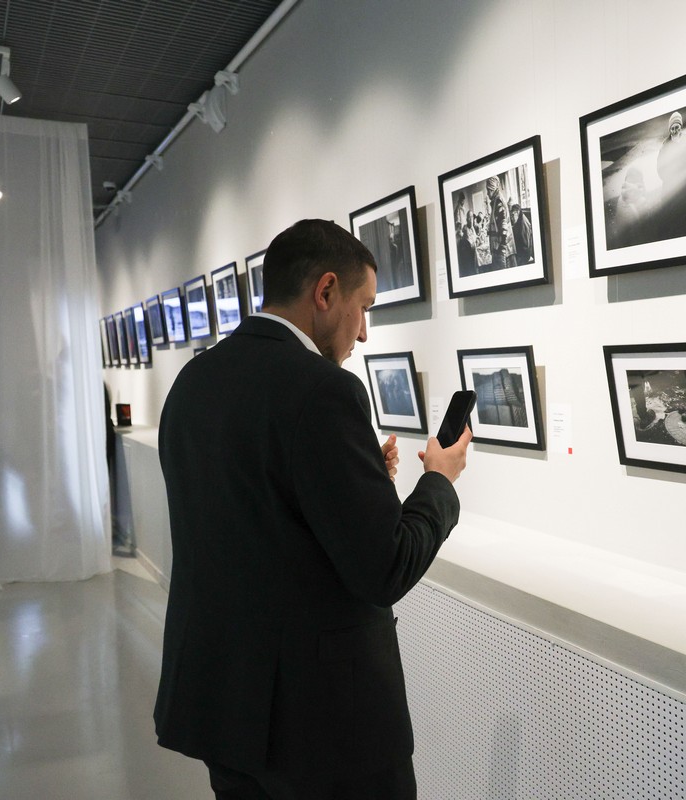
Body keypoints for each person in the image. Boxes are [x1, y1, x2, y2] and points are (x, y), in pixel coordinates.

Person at [155, 218, 472, 800]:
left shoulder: (193, 382)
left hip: (223, 703)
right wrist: (439, 481)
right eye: (364, 307)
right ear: (325, 291)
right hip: (321, 725)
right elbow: (385, 568)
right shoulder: (324, 389)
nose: (365, 333)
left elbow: (254, 513)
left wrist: (357, 482)